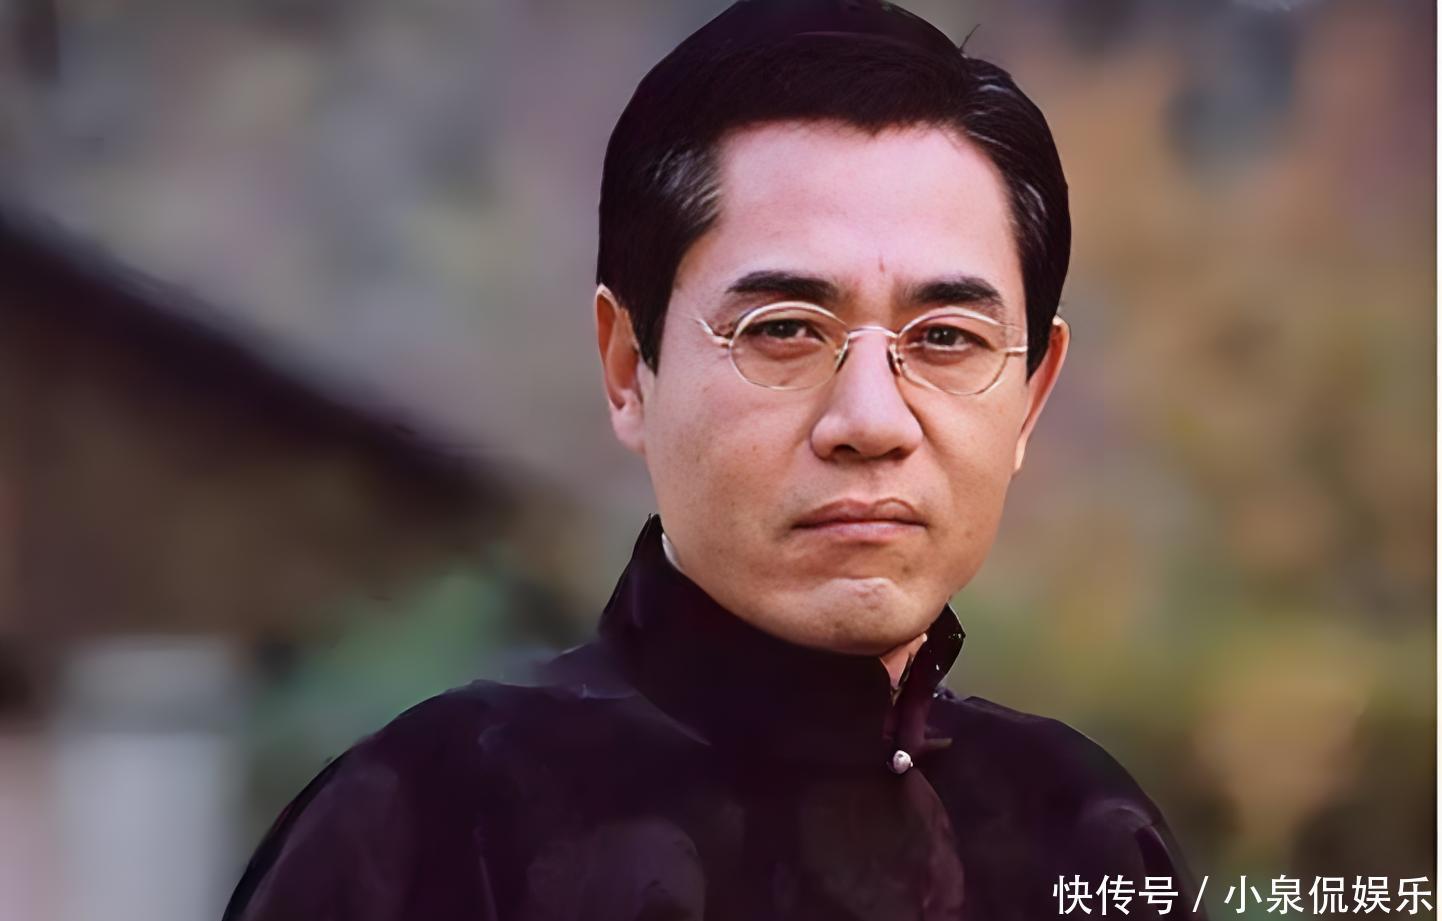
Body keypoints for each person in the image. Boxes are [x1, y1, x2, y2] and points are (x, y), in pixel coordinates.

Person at [223, 1, 1210, 919]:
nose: (870, 421)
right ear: (628, 366)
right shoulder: (433, 825)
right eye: (783, 329)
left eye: (945, 338)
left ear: (1031, 393)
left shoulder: (1084, 835)